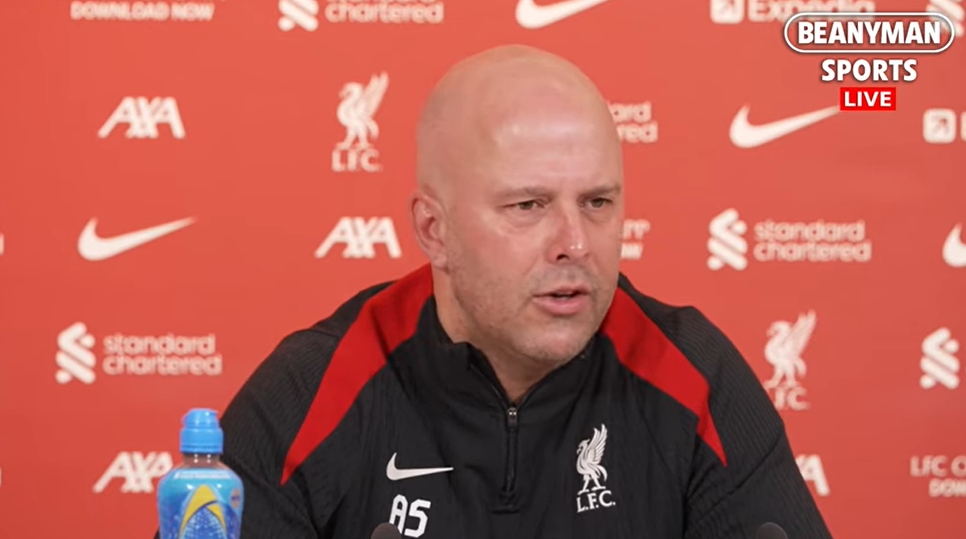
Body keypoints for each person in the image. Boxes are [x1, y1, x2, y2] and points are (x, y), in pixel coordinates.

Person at [161, 45, 834, 538]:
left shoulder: (694, 376)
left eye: (598, 202)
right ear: (435, 230)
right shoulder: (311, 390)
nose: (575, 242)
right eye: (528, 206)